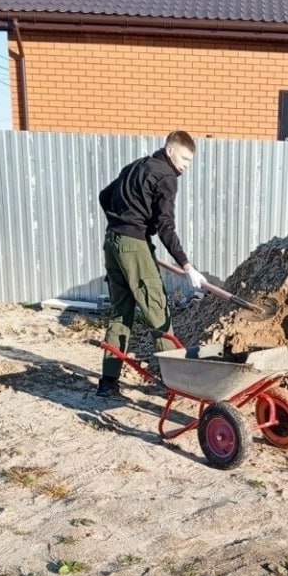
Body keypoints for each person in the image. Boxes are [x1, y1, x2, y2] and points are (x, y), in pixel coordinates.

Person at [95, 129, 207, 399]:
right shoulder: (166, 176)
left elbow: (104, 196)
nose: (186, 166)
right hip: (133, 246)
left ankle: (108, 383)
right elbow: (165, 226)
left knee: (122, 313)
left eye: (190, 161)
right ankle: (176, 386)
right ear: (170, 150)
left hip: (113, 242)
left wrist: (122, 225)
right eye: (184, 159)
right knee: (157, 310)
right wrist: (186, 265)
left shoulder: (135, 167)